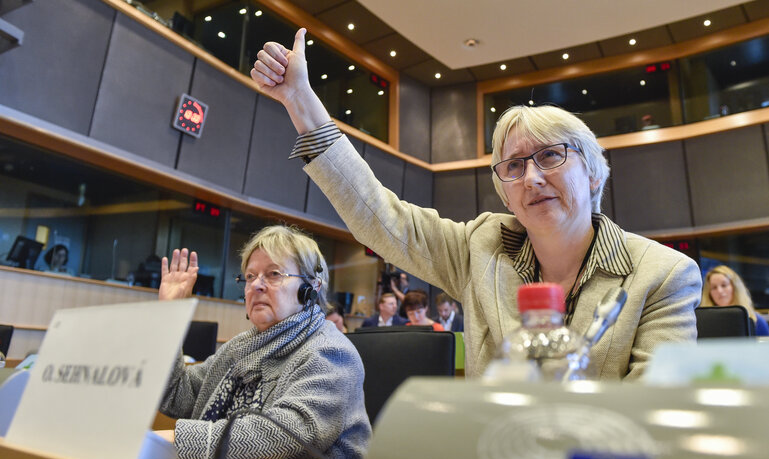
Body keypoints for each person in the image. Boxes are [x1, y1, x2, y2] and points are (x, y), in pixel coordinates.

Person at [250, 29, 701, 379]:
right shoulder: (480, 248)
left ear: (595, 172)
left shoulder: (661, 276)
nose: (532, 177)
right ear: (505, 193)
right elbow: (382, 218)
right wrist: (300, 102)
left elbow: (657, 414)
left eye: (550, 156)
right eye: (514, 166)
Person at [156, 225, 371, 459]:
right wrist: (168, 316)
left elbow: (284, 434)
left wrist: (178, 440)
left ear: (311, 287)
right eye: (250, 276)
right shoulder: (239, 348)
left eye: (274, 274)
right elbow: (176, 397)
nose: (256, 285)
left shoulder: (331, 352)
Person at [701, 265, 769, 335]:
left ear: (735, 287)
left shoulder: (757, 321)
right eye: (714, 287)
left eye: (724, 285)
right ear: (709, 293)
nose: (719, 291)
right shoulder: (703, 322)